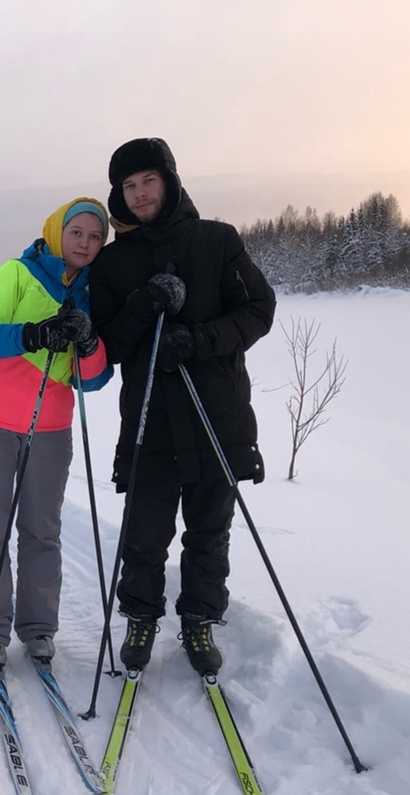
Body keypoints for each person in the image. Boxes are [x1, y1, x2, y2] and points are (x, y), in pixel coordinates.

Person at [88, 137, 275, 675]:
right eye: (129, 185)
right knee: (144, 534)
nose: (141, 192)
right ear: (119, 196)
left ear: (169, 180)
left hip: (216, 415)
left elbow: (258, 310)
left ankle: (198, 619)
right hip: (151, 420)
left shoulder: (219, 241)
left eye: (148, 180)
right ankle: (141, 617)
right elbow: (108, 346)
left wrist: (199, 340)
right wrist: (144, 305)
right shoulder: (113, 262)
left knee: (209, 531)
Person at [0, 197, 113, 671]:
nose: (84, 243)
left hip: (49, 430)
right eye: (77, 233)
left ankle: (39, 628)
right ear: (56, 232)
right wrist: (31, 335)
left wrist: (88, 344)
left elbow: (93, 379)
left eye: (95, 237)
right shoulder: (18, 274)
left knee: (42, 533)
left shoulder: (97, 293)